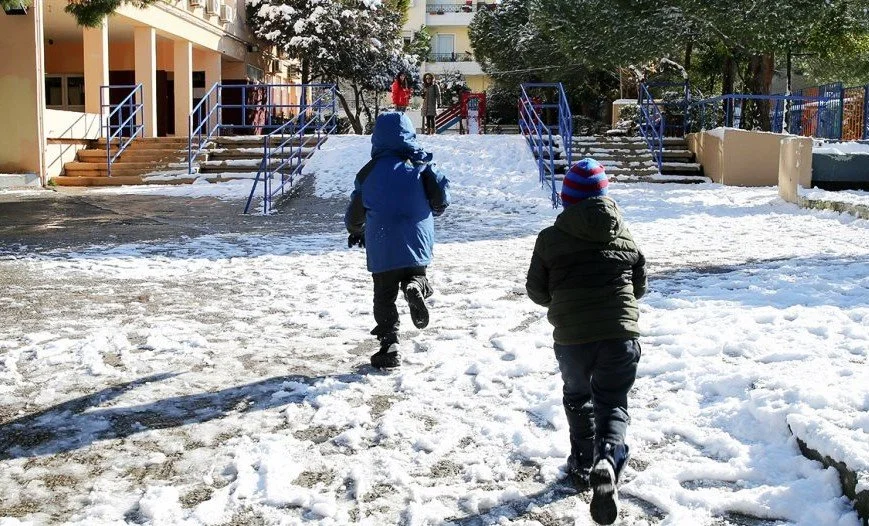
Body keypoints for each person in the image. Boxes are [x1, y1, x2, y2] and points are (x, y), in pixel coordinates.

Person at [525, 158, 646, 525]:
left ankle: (580, 464)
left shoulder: (550, 239)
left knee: (578, 397)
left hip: (573, 339)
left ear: (567, 200)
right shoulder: (624, 234)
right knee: (612, 404)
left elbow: (536, 290)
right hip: (620, 337)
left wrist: (562, 300)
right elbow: (638, 288)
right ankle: (607, 458)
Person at [345, 112, 450, 369]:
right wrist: (432, 210)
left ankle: (389, 345)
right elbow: (441, 199)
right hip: (416, 239)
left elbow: (355, 212)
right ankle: (415, 286)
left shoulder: (369, 172)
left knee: (384, 296)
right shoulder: (421, 164)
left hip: (382, 244)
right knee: (418, 274)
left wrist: (356, 231)